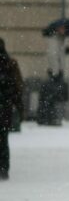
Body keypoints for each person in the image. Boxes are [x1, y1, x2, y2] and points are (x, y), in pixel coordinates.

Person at [0, 38, 25, 180]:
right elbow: (17, 89)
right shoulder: (10, 64)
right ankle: (3, 169)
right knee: (3, 140)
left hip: (4, 108)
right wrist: (20, 109)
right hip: (5, 110)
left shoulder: (10, 65)